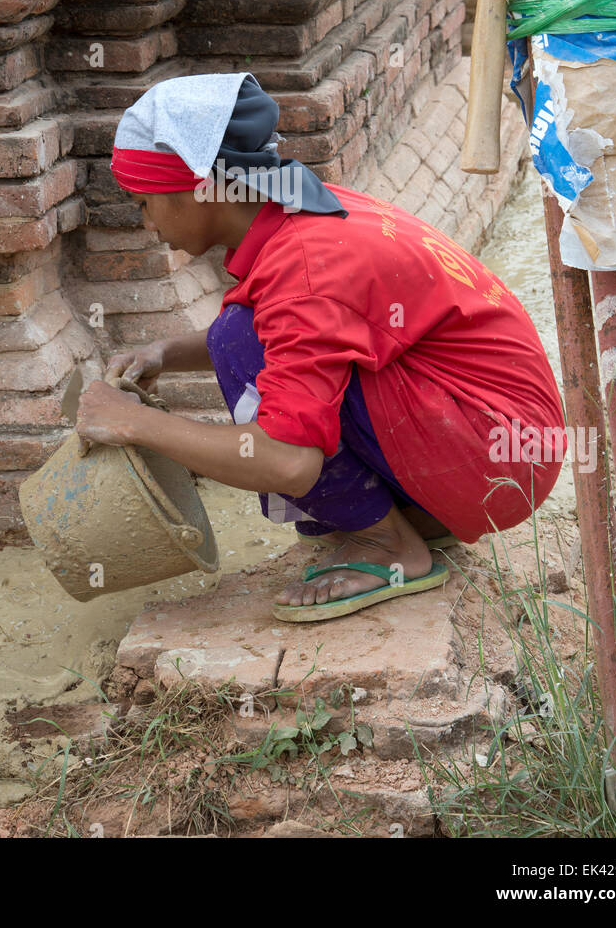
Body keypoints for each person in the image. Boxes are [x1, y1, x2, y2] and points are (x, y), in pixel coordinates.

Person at [76, 72, 565, 622]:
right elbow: (300, 330)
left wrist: (134, 425)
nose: (144, 223)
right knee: (238, 335)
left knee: (240, 343)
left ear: (198, 187)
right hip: (507, 440)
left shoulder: (306, 266)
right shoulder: (303, 211)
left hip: (499, 461)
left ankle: (390, 546)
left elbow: (288, 462)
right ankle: (414, 519)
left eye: (144, 202)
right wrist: (165, 352)